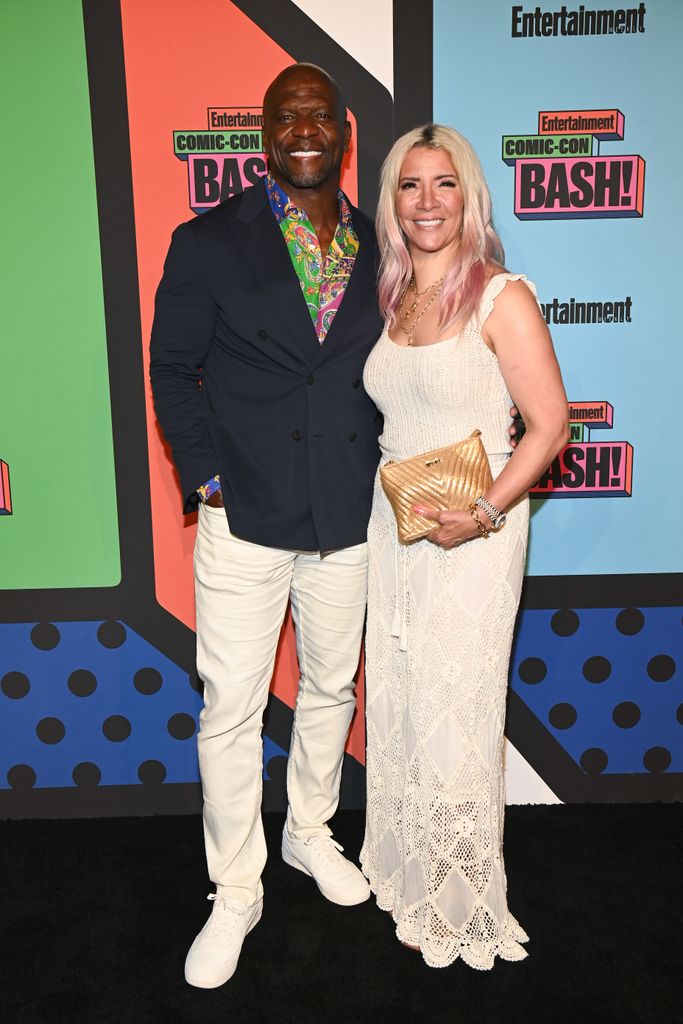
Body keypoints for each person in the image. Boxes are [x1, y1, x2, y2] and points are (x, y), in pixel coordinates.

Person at [149, 63, 384, 989]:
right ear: (262, 132)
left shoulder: (381, 243)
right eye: (285, 116)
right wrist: (208, 478)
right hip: (243, 519)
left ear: (343, 130)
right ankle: (235, 888)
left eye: (318, 116)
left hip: (349, 515)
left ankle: (309, 834)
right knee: (231, 711)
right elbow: (174, 370)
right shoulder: (207, 241)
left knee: (331, 690)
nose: (302, 129)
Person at [360, 124, 568, 970]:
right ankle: (409, 873)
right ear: (391, 202)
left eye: (444, 184)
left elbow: (548, 427)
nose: (426, 203)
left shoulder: (500, 296)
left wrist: (479, 514)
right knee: (404, 702)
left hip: (472, 534)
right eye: (409, 186)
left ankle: (458, 899)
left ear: (470, 195)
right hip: (400, 530)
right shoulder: (395, 293)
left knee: (455, 710)